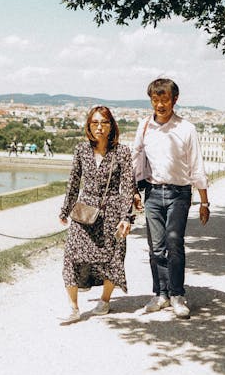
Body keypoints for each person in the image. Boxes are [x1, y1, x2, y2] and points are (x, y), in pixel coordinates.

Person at [133, 78, 210, 319]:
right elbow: (136, 160)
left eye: (164, 99)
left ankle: (177, 294)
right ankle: (161, 294)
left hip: (179, 193)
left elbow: (197, 166)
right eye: (155, 100)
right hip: (153, 193)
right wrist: (134, 191)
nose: (160, 105)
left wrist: (204, 201)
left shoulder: (186, 129)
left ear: (174, 100)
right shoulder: (144, 126)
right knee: (156, 248)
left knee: (174, 243)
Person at [59, 106, 135, 324]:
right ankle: (73, 307)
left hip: (112, 211)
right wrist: (65, 209)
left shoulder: (122, 152)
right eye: (95, 123)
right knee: (71, 255)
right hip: (84, 211)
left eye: (104, 122)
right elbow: (73, 182)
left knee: (113, 256)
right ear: (89, 126)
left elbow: (128, 187)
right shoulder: (82, 150)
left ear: (112, 126)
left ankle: (104, 300)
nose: (99, 127)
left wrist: (126, 217)